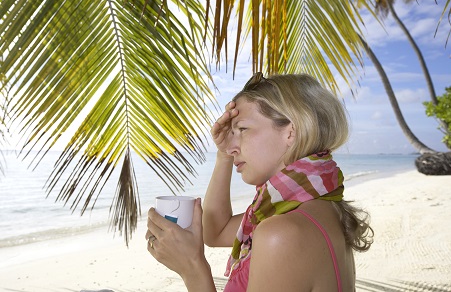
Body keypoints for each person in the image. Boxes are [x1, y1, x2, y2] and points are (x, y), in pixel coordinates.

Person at [146, 72, 374, 291]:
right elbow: (215, 232)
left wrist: (192, 269)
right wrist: (224, 153)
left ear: (290, 132)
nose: (233, 145)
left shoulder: (282, 234)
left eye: (243, 129)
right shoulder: (319, 205)